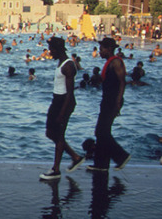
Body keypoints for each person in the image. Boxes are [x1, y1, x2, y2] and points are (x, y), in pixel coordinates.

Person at [40, 37, 85, 180]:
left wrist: (62, 112)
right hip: (57, 100)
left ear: (57, 49)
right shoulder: (61, 63)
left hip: (64, 102)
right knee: (50, 133)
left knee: (59, 135)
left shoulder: (68, 66)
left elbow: (70, 93)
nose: (49, 52)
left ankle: (56, 169)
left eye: (51, 49)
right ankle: (75, 156)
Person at [87, 37, 131, 171]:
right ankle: (101, 164)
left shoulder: (116, 62)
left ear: (109, 49)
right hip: (107, 100)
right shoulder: (109, 63)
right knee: (101, 132)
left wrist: (118, 102)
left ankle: (121, 156)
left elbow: (122, 83)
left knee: (102, 131)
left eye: (102, 49)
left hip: (112, 100)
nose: (100, 52)